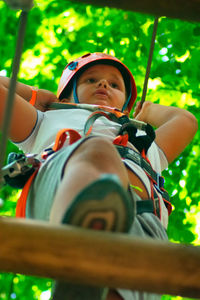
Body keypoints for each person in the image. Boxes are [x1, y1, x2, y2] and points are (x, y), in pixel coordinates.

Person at [0, 52, 198, 300]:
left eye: (115, 84)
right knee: (98, 150)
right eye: (90, 80)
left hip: (143, 215)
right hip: (62, 192)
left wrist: (147, 111)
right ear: (67, 92)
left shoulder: (146, 142)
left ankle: (86, 274)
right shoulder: (44, 120)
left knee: (117, 292)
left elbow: (185, 121)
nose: (103, 84)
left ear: (126, 102)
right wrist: (39, 96)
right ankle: (82, 241)